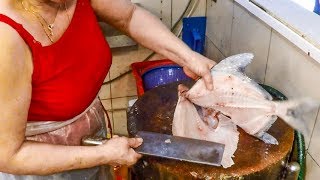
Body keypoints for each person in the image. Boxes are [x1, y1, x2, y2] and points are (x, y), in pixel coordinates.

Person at [0, 0, 216, 179]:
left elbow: (129, 16)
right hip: (40, 165)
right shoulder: (7, 36)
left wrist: (189, 57)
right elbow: (8, 155)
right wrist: (102, 155)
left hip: (93, 137)